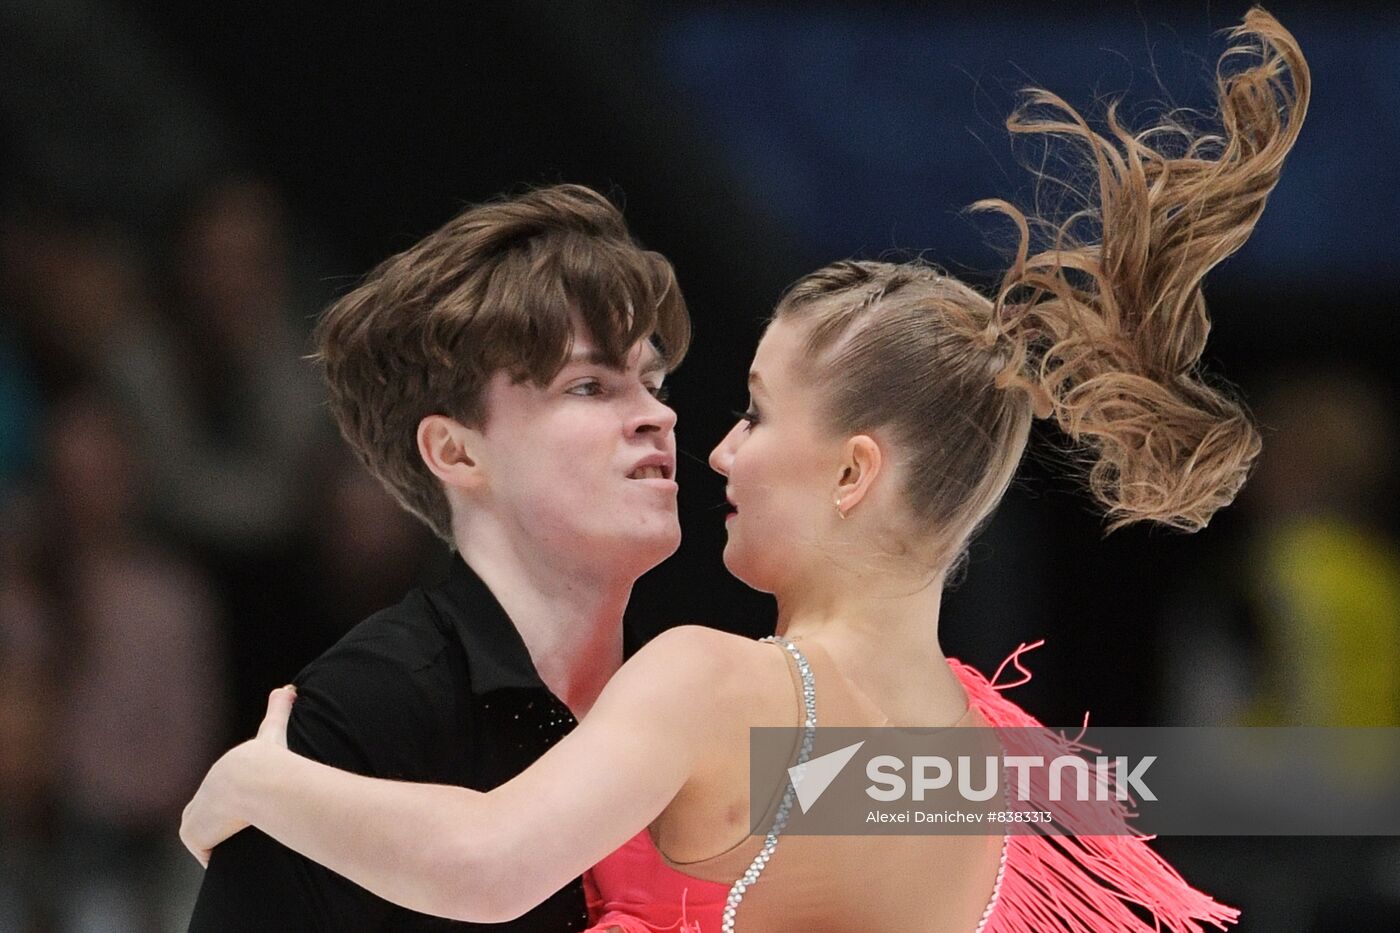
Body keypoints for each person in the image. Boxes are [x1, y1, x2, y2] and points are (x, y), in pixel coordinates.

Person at [181, 8, 1306, 931]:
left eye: (757, 414)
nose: (711, 443)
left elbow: (486, 867)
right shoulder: (983, 755)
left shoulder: (719, 688)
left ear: (853, 472)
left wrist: (262, 784)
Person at [185, 183, 691, 932]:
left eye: (650, 380)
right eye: (590, 385)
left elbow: (923, 795)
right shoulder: (360, 712)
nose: (658, 413)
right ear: (455, 449)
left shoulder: (702, 696)